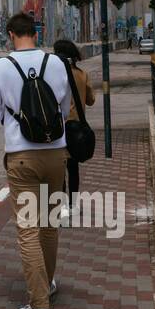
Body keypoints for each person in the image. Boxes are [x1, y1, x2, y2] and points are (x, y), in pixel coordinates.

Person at [0, 13, 71, 309]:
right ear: (36, 33)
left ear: (10, 34)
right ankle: (46, 284)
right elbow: (64, 109)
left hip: (21, 157)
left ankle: (40, 308)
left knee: (28, 229)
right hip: (56, 154)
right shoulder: (58, 64)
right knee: (49, 223)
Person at [53, 39, 95, 208]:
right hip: (76, 128)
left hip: (59, 128)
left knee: (59, 169)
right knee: (73, 168)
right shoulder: (82, 74)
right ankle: (73, 204)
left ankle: (61, 205)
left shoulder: (54, 75)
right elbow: (91, 100)